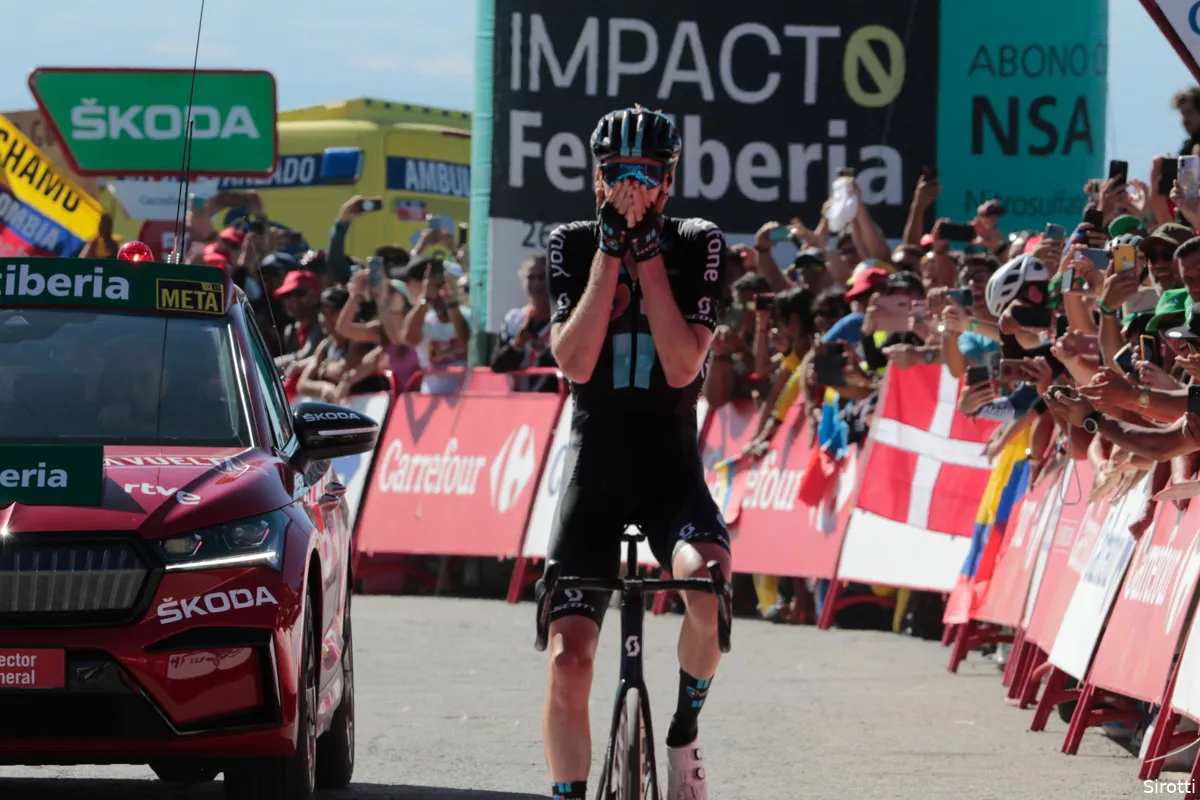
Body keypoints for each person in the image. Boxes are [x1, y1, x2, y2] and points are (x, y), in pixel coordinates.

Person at [539, 106, 730, 800]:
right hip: (594, 465)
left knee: (708, 588)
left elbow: (681, 367)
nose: (630, 187)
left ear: (668, 182)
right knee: (569, 659)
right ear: (596, 179)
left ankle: (683, 732)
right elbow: (574, 361)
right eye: (617, 172)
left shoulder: (698, 241)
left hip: (667, 466)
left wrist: (647, 255)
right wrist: (609, 251)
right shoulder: (569, 242)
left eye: (646, 175)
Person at [398, 256, 470, 394]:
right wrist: (426, 298)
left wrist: (450, 303)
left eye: (440, 284)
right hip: (432, 396)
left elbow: (467, 343)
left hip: (465, 397)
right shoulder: (423, 319)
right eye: (435, 286)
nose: (438, 292)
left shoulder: (467, 316)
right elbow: (409, 339)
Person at [492, 254, 556, 392]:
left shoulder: (564, 318)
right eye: (530, 277)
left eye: (542, 277)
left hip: (553, 399)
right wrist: (518, 343)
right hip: (520, 400)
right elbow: (497, 366)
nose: (536, 283)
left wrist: (545, 351)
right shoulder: (514, 319)